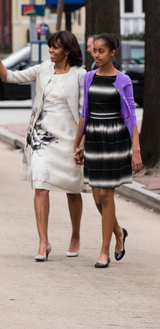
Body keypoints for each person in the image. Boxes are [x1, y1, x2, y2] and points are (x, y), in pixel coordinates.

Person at [0, 30, 86, 261]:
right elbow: (8, 76)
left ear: (66, 51)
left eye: (55, 47)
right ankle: (43, 241)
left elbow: (83, 112)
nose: (50, 50)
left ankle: (76, 236)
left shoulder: (81, 75)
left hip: (70, 138)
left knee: (72, 189)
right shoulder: (42, 69)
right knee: (40, 185)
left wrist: (81, 143)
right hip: (41, 137)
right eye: (50, 46)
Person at [73, 33, 143, 268]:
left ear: (112, 53)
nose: (97, 54)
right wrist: (78, 141)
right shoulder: (89, 78)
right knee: (96, 197)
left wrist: (136, 150)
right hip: (94, 138)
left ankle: (104, 250)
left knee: (106, 195)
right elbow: (85, 111)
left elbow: (131, 115)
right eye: (95, 51)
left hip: (115, 139)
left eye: (101, 51)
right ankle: (119, 232)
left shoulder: (123, 80)